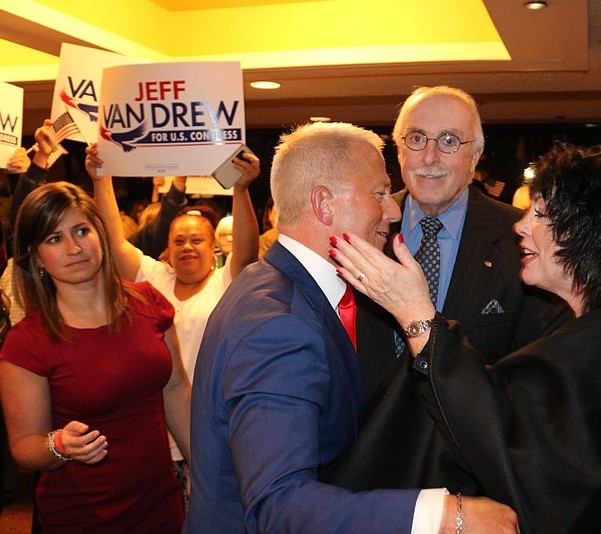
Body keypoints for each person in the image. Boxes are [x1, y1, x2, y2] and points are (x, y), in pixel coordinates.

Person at [332, 141, 601, 534]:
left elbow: (516, 456)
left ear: (590, 231)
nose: (520, 227)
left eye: (541, 214)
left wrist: (417, 315)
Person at [184, 121, 517, 533]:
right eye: (379, 193)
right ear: (324, 204)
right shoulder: (278, 326)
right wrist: (444, 516)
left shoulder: (278, 284)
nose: (394, 210)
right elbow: (278, 505)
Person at [325, 85, 569, 494]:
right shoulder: (357, 229)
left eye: (449, 141)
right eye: (416, 139)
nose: (429, 157)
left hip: (471, 480)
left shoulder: (521, 241)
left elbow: (539, 386)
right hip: (364, 473)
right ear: (398, 150)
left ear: (475, 156)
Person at [0, 182, 191, 533]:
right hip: (82, 517)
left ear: (100, 233)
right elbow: (24, 445)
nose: (73, 248)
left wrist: (204, 470)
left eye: (81, 231)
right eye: (54, 239)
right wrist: (58, 445)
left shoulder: (149, 302)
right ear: (36, 256)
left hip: (161, 506)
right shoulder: (26, 342)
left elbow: (177, 389)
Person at [85, 143, 259, 504]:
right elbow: (113, 240)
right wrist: (101, 179)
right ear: (166, 249)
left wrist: (241, 189)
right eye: (178, 240)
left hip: (211, 435)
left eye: (197, 240)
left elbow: (246, 251)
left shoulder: (225, 282)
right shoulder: (153, 280)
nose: (187, 247)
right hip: (154, 438)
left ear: (214, 249)